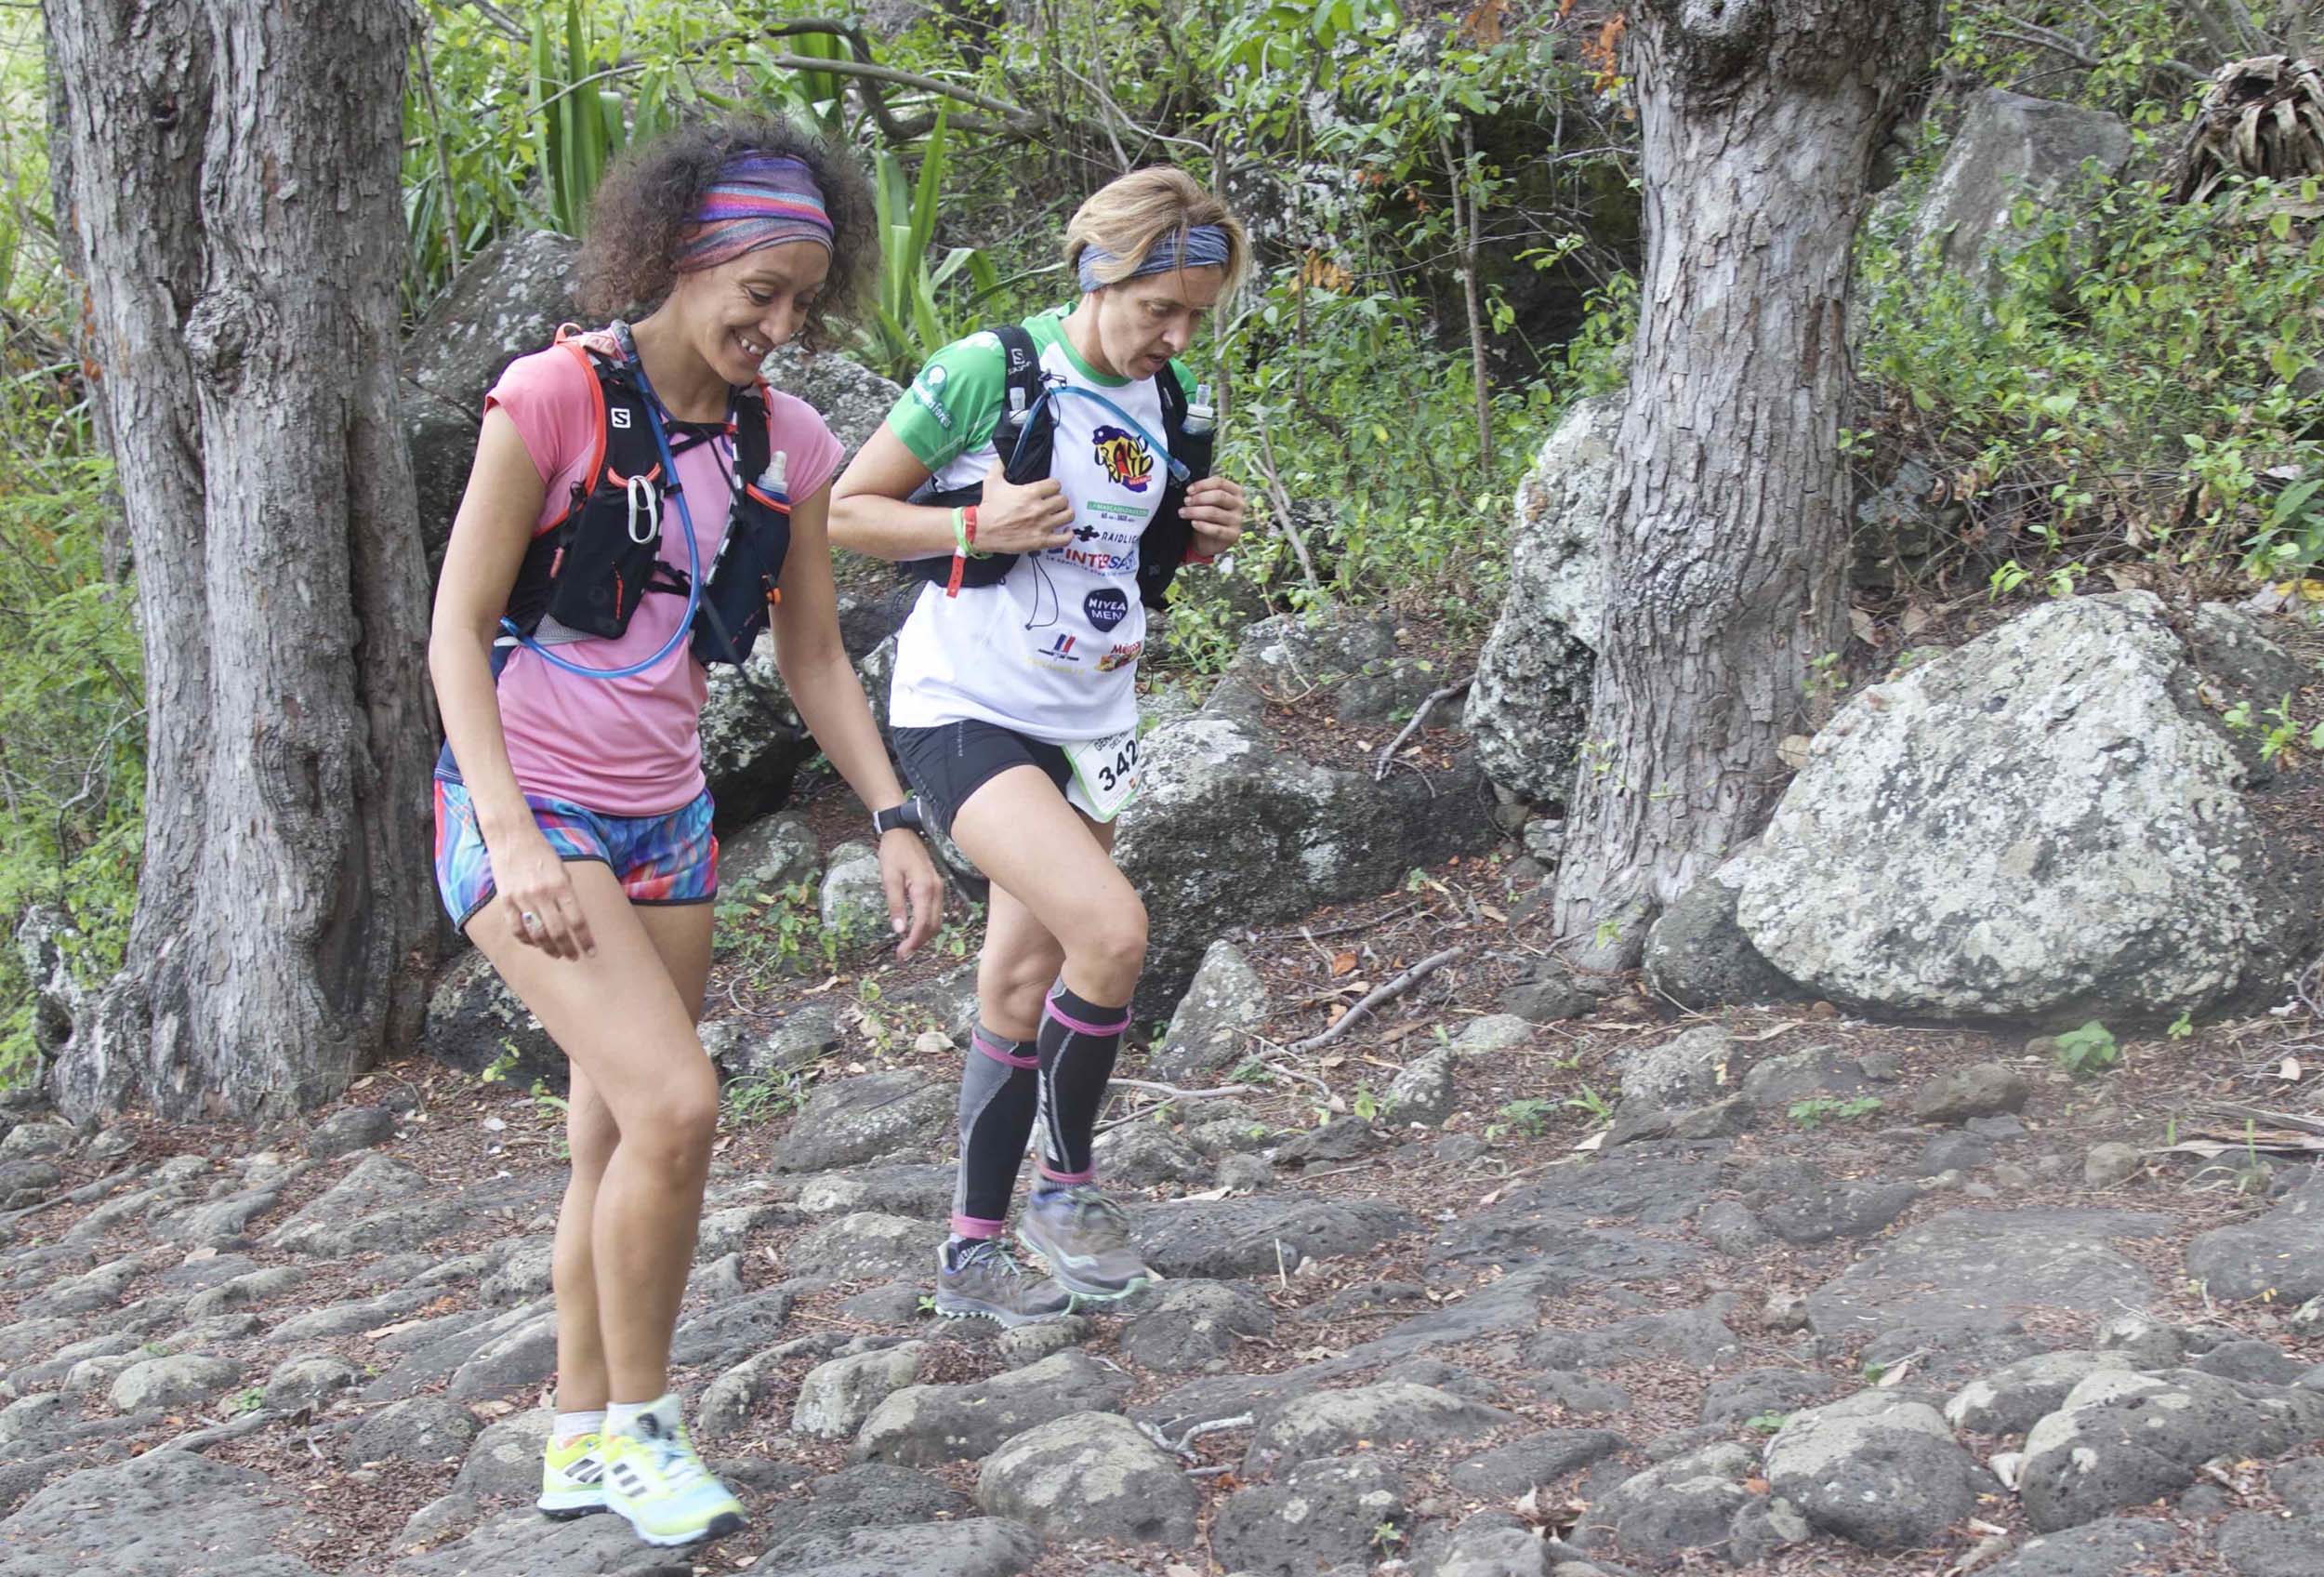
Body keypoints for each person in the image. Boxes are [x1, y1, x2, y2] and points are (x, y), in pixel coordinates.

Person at [429, 118, 944, 1549]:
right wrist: (513, 834)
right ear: (677, 255)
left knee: (613, 1137)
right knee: (675, 1105)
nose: (775, 325)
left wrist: (896, 814)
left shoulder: (791, 444)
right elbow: (457, 633)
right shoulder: (551, 397)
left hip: (669, 817)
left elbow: (816, 659)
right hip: (529, 805)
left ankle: (579, 1441)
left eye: (799, 301)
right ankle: (653, 1430)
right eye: (753, 291)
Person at [829, 167, 1248, 1325]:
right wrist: (974, 522)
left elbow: (1124, 556)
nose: (1172, 334)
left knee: (1020, 977)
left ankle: (970, 1257)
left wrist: (1196, 532)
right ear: (1095, 273)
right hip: (964, 702)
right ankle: (1065, 1194)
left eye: (1192, 316)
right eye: (1155, 307)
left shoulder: (1175, 404)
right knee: (1110, 931)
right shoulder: (990, 370)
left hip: (1089, 720)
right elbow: (842, 512)